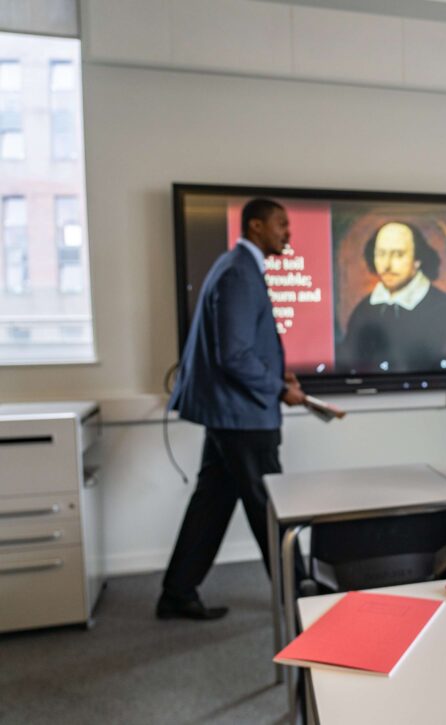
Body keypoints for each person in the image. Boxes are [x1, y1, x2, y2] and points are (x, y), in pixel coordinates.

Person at [158, 198, 306, 620]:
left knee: (212, 502)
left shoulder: (236, 267)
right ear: (255, 226)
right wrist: (278, 388)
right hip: (242, 417)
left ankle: (177, 592)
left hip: (231, 413)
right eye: (281, 224)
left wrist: (280, 378)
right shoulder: (240, 271)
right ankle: (302, 596)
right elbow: (235, 355)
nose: (287, 233)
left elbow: (239, 349)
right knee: (270, 506)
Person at [336, 221, 446, 373]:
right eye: (381, 254)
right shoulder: (363, 310)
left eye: (398, 254)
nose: (387, 265)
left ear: (417, 260)